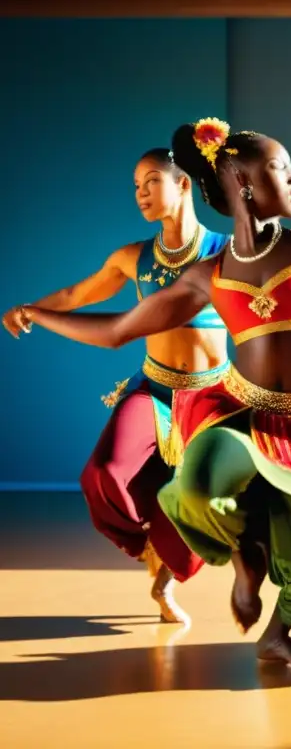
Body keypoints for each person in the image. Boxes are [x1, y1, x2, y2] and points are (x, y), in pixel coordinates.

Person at [21, 117, 291, 673]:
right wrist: (41, 315)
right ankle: (248, 558)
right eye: (280, 169)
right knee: (194, 492)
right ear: (242, 182)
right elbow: (119, 330)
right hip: (239, 414)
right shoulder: (207, 275)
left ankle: (278, 630)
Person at [3, 147, 230, 625]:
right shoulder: (134, 258)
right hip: (155, 388)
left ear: (183, 184)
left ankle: (165, 581)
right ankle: (148, 543)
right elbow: (76, 296)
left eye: (150, 182)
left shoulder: (224, 252)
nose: (140, 194)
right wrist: (29, 309)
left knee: (196, 501)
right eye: (135, 187)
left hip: (212, 398)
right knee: (103, 472)